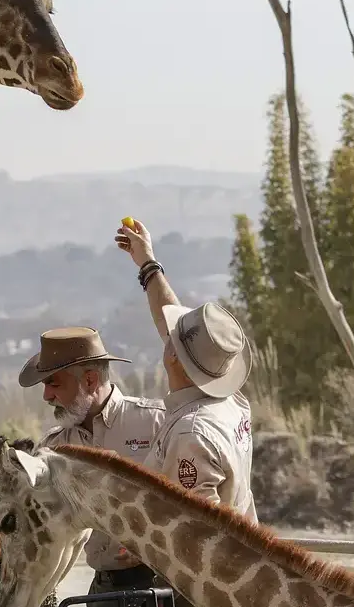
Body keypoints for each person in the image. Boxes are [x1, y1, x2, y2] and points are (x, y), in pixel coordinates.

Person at [114, 218, 258, 522]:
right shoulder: (230, 401)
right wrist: (148, 264)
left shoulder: (189, 434)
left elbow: (199, 531)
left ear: (173, 356)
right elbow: (187, 338)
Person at [17, 326, 167, 597]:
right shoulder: (53, 448)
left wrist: (154, 544)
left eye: (54, 383)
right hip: (103, 590)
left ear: (89, 380)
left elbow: (194, 501)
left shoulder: (157, 422)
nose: (46, 396)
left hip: (163, 586)